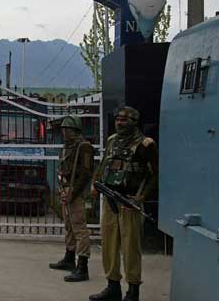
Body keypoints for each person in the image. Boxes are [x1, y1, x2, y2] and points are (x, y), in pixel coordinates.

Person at [89, 106, 157, 301]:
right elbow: (103, 164)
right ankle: (113, 287)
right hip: (110, 199)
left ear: (134, 122)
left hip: (129, 202)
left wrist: (141, 197)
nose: (119, 123)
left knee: (130, 247)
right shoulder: (112, 140)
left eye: (124, 120)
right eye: (118, 119)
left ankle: (133, 291)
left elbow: (154, 175)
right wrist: (95, 183)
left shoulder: (145, 144)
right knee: (109, 245)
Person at [49, 115, 93, 282]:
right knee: (69, 226)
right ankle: (69, 257)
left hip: (76, 191)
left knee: (79, 229)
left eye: (67, 129)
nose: (64, 132)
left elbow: (86, 173)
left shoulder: (83, 147)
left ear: (75, 130)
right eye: (63, 129)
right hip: (66, 189)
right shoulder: (67, 146)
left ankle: (82, 266)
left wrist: (73, 193)